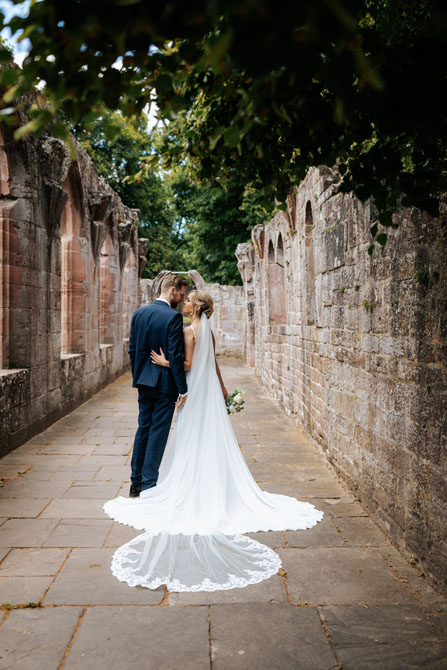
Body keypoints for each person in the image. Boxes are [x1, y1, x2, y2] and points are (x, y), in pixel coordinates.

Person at [104, 290, 323, 592]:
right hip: (208, 392)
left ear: (195, 307)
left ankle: (191, 485)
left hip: (193, 391)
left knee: (189, 439)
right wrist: (222, 388)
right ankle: (209, 482)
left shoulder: (188, 331)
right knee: (209, 438)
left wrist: (166, 362)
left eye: (189, 301)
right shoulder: (209, 331)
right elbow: (214, 363)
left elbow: (189, 364)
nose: (185, 303)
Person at [127, 273, 189, 497]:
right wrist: (182, 388)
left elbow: (132, 350)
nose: (181, 300)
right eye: (181, 295)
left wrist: (140, 375)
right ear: (172, 291)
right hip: (164, 385)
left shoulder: (139, 314)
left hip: (144, 382)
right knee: (158, 432)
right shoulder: (173, 318)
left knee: (143, 428)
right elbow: (175, 354)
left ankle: (136, 483)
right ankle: (149, 485)